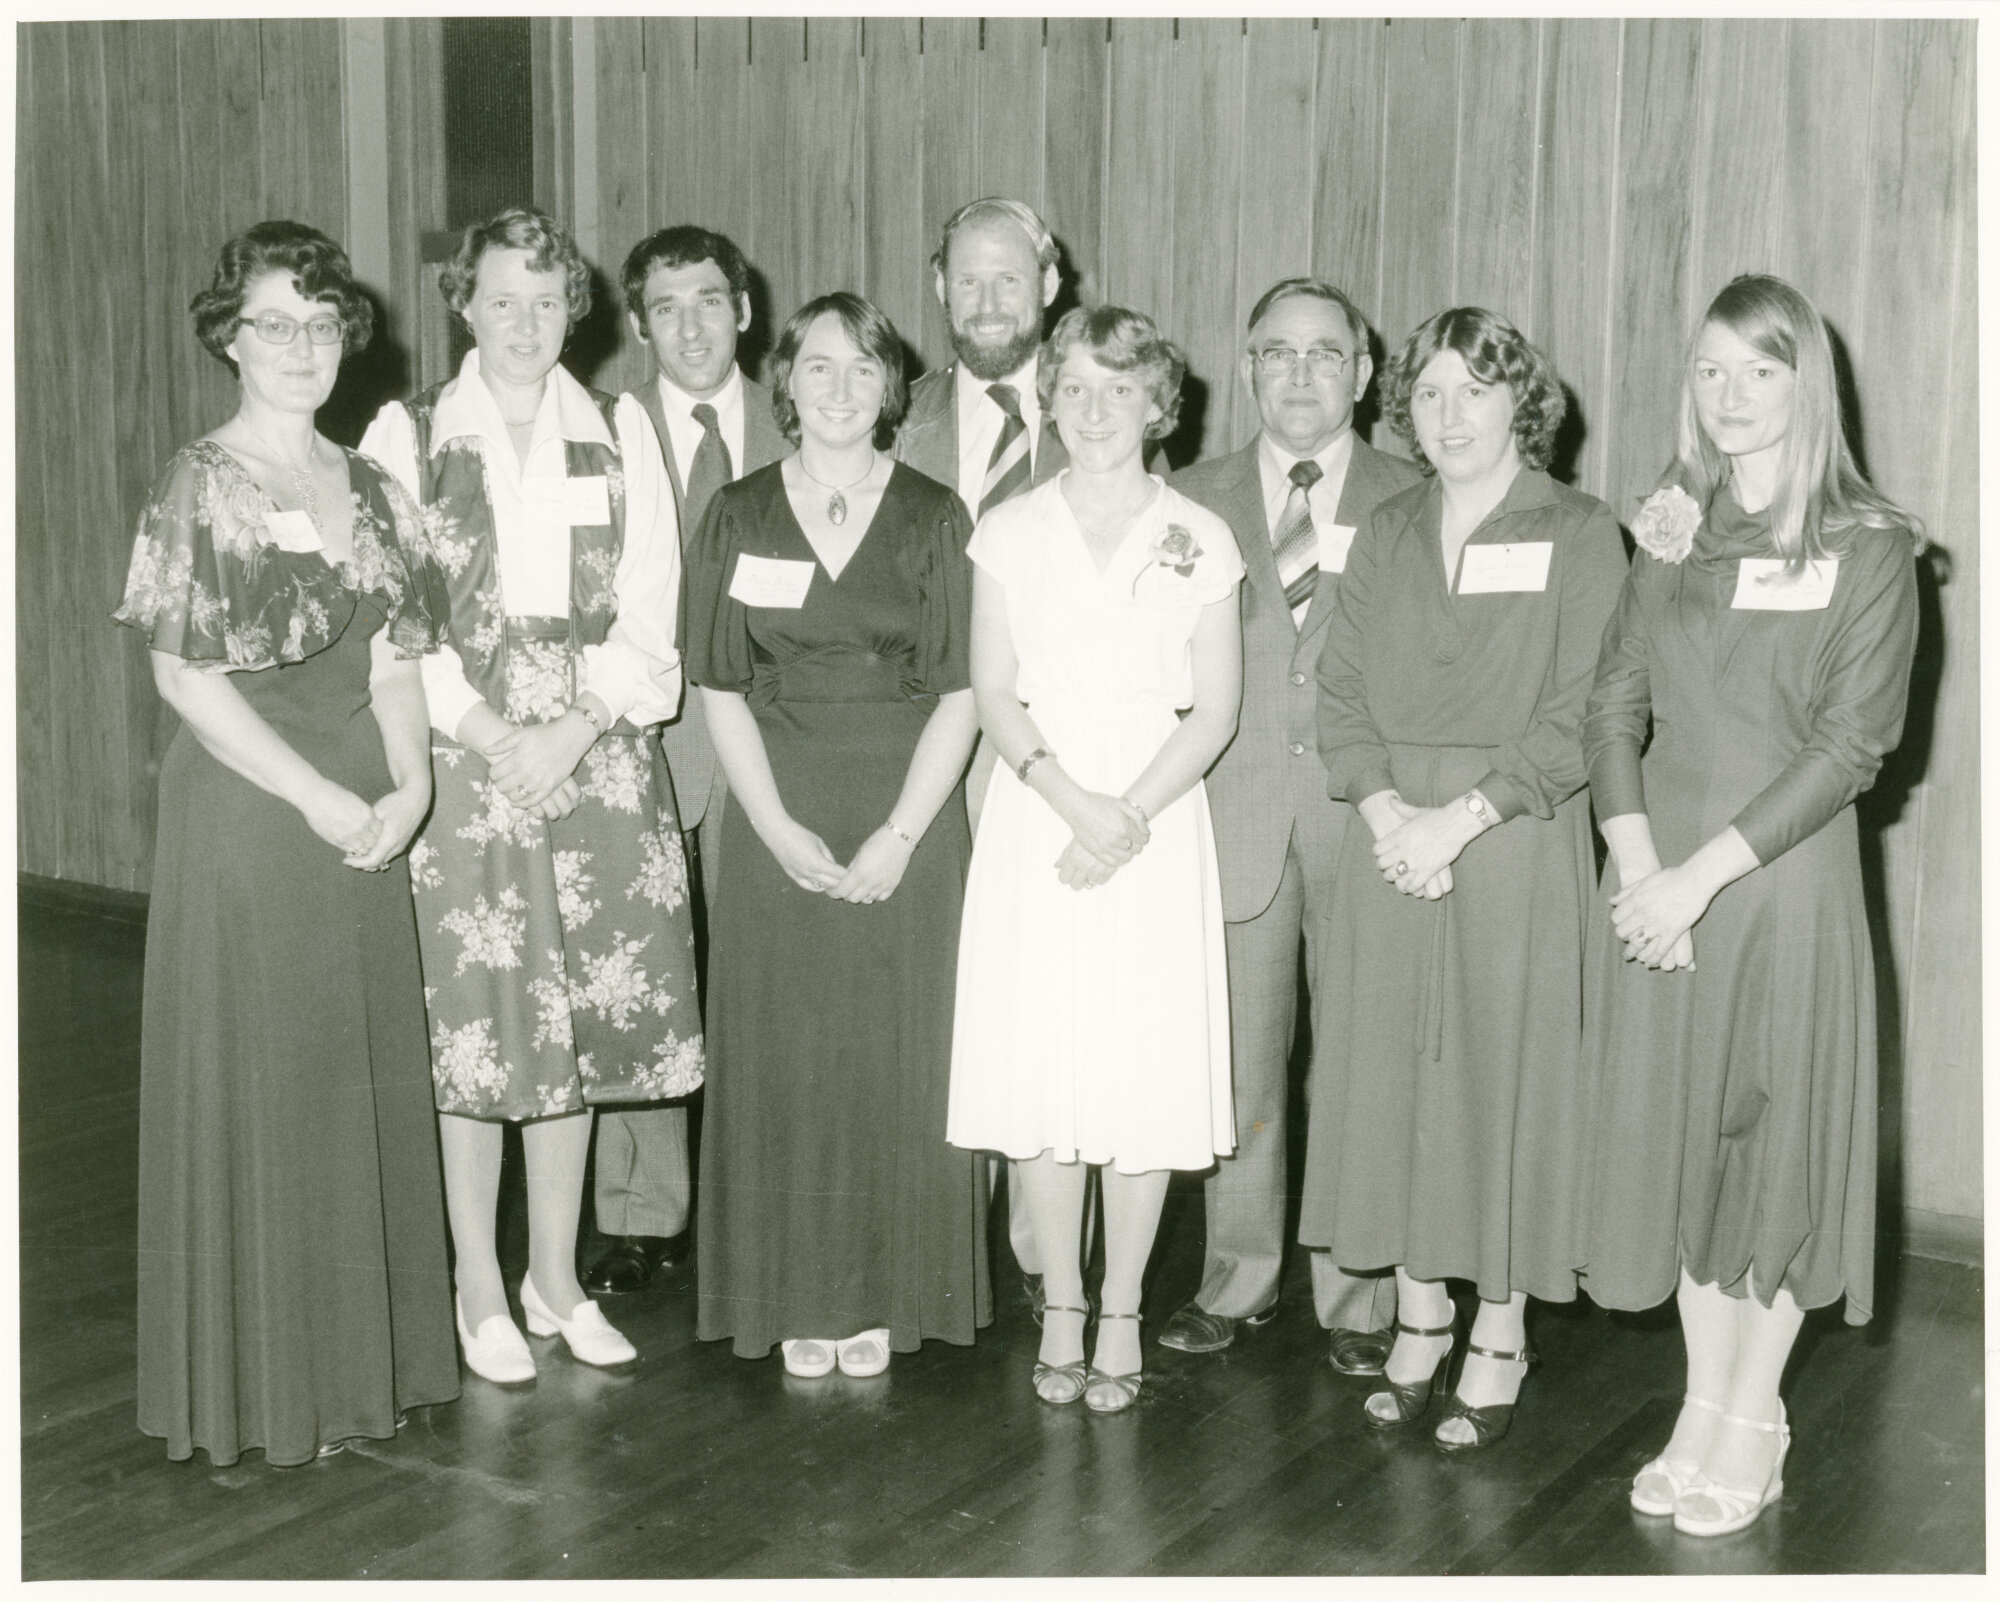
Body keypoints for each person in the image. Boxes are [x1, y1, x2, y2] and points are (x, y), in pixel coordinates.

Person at [1580, 275, 1920, 1535]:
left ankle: (1752, 1414)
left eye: (1757, 372)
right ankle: (1697, 1403)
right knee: (1682, 1153)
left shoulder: (1868, 547)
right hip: (1652, 886)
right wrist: (1629, 857)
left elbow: (1847, 750)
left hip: (1775, 888)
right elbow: (1609, 702)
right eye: (1709, 371)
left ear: (1804, 384)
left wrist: (1690, 878)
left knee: (1766, 1155)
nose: (1728, 398)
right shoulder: (1672, 529)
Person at [118, 221, 458, 1465]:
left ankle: (362, 1373)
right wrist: (319, 797)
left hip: (366, 802)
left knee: (347, 1079)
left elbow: (396, 655)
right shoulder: (200, 479)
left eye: (322, 325)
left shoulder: (369, 481)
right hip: (254, 809)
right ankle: (267, 1390)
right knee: (269, 1084)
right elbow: (186, 679)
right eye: (275, 324)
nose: (303, 347)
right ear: (229, 336)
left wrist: (412, 783)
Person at [361, 207, 700, 1384]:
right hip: (469, 764)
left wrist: (576, 724)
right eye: (501, 298)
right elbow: (397, 617)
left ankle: (554, 1278)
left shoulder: (619, 429)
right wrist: (498, 732)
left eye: (547, 300)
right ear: (464, 304)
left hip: (596, 759)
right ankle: (477, 1282)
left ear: (578, 309)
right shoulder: (406, 435)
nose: (523, 322)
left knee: (579, 1030)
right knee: (481, 1030)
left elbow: (653, 612)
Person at [1302, 307, 1626, 1451]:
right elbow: (1335, 690)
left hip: (1515, 838)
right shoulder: (1383, 528)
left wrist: (1462, 820)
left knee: (1501, 1081)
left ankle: (1499, 1327)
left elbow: (1585, 707)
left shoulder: (1580, 531)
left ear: (1518, 405)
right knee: (1390, 1081)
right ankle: (1420, 1316)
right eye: (1429, 393)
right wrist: (1389, 811)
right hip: (1389, 836)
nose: (1447, 415)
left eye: (1472, 393)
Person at [684, 291, 990, 1379]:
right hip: (779, 808)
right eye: (820, 368)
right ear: (786, 385)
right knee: (789, 1055)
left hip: (905, 811)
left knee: (888, 1056)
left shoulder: (935, 514)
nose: (841, 390)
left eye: (864, 370)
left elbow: (964, 692)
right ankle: (794, 1291)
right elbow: (718, 681)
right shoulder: (735, 512)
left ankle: (884, 1294)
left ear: (891, 388)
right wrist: (768, 825)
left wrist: (903, 835)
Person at [948, 305, 1245, 1413]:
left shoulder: (1199, 536)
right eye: (1072, 388)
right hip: (1038, 809)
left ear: (1157, 403)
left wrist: (1126, 814)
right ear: (1048, 400)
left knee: (1137, 1068)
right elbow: (991, 689)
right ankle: (1060, 1300)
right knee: (1043, 1063)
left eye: (1118, 389)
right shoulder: (1009, 531)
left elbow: (1212, 709)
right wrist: (1071, 802)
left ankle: (1122, 1303)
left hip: (1158, 819)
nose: (1095, 410)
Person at [1162, 278, 1422, 1368]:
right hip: (1234, 820)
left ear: (1363, 374)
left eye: (1325, 354)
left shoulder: (1419, 494)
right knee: (1239, 1074)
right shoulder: (1182, 497)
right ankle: (1236, 1281)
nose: (1300, 374)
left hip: (1372, 829)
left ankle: (1357, 1300)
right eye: (1276, 353)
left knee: (1363, 1069)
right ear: (1248, 368)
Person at [585, 225, 791, 1299]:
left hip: (773, 743)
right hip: (639, 745)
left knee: (761, 978)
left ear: (744, 308)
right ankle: (639, 1212)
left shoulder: (806, 421)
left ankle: (765, 1195)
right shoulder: (597, 435)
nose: (693, 325)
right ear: (637, 325)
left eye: (710, 300)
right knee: (641, 979)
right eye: (666, 307)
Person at [895, 195, 1073, 1319]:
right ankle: (930, 1240)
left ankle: (1041, 1255)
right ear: (938, 289)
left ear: (1050, 287)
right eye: (967, 279)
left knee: (1050, 997)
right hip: (917, 746)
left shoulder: (1103, 403)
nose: (989, 301)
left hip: (1057, 751)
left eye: (1010, 279)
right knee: (933, 994)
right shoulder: (885, 412)